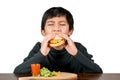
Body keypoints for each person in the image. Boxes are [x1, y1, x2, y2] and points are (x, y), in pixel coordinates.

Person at [14, 7, 102, 74]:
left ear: (70, 31)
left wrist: (76, 53)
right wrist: (41, 54)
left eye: (62, 24)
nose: (56, 29)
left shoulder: (77, 47)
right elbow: (18, 72)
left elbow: (98, 72)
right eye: (51, 24)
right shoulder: (39, 48)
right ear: (43, 32)